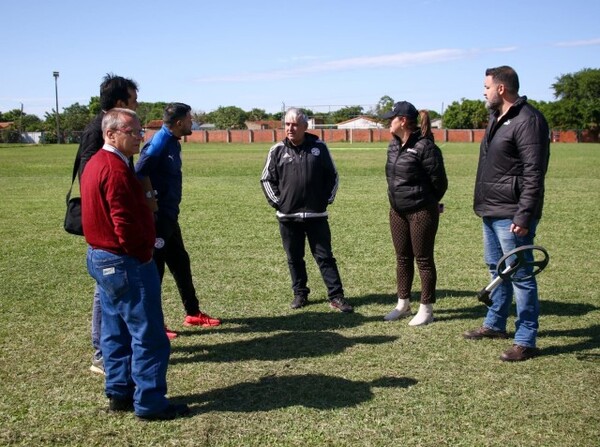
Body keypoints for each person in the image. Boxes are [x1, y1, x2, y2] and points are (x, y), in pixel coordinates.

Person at [81, 108, 189, 420]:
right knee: (149, 334)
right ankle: (150, 402)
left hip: (102, 257)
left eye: (140, 130)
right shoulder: (114, 168)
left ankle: (119, 392)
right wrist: (142, 252)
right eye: (132, 131)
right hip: (124, 259)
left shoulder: (98, 163)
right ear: (110, 133)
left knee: (114, 330)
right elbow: (124, 222)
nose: (139, 136)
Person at [463, 65, 550, 362]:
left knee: (521, 275)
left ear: (501, 88)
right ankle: (495, 324)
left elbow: (533, 173)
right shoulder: (496, 117)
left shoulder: (529, 119)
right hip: (491, 208)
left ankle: (526, 339)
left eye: (486, 86)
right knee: (496, 270)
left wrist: (523, 216)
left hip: (512, 212)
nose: (484, 91)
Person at [135, 102, 221, 337]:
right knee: (156, 271)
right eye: (190, 118)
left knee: (181, 263)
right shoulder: (159, 142)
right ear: (179, 122)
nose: (192, 122)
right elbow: (139, 172)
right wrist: (152, 202)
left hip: (170, 217)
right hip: (159, 218)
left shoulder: (172, 141)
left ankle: (192, 313)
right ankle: (153, 325)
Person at [75, 73, 139, 375]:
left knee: (108, 289)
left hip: (112, 226)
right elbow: (94, 178)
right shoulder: (99, 133)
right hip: (108, 231)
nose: (137, 104)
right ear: (118, 103)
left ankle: (110, 349)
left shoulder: (112, 131)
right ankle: (102, 353)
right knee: (105, 290)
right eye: (133, 99)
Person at [260, 107, 353, 313]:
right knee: (294, 257)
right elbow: (266, 178)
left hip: (316, 215)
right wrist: (279, 202)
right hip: (288, 216)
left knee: (325, 257)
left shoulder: (319, 147)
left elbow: (333, 176)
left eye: (294, 124)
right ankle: (300, 294)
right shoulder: (277, 150)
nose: (290, 128)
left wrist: (325, 199)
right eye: (287, 124)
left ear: (305, 126)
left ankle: (336, 296)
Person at [381, 101, 448, 326]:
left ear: (402, 121)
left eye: (392, 118)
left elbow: (440, 183)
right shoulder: (392, 145)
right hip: (397, 211)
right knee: (402, 258)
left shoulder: (425, 147)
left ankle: (426, 309)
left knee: (423, 259)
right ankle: (403, 303)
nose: (387, 122)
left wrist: (427, 203)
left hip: (421, 212)